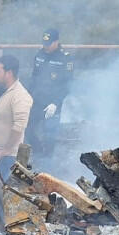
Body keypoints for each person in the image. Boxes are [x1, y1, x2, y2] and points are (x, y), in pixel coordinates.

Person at [0, 54, 33, 176]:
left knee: (1, 193)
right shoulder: (3, 89)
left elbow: (19, 127)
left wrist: (5, 150)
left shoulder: (20, 95)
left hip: (7, 157)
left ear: (9, 73)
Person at [28, 28, 73, 157]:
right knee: (27, 128)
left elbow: (67, 85)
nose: (46, 47)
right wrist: (29, 95)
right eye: (44, 43)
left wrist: (56, 103)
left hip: (53, 103)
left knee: (49, 135)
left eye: (49, 44)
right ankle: (37, 152)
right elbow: (34, 78)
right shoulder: (39, 54)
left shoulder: (65, 58)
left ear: (56, 42)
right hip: (37, 100)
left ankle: (48, 163)